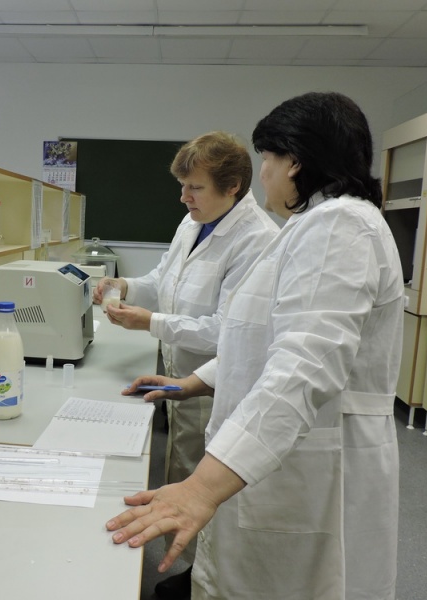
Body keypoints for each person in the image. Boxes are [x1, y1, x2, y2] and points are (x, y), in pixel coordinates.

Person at [106, 91, 404, 600]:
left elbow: (305, 366)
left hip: (309, 457)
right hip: (281, 447)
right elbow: (260, 338)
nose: (263, 173)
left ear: (296, 162)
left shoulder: (338, 227)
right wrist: (194, 382)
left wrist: (202, 487)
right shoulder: (311, 227)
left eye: (268, 158)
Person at [93, 131, 278, 598]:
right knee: (182, 472)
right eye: (182, 186)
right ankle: (191, 570)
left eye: (194, 187)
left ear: (232, 186)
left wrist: (151, 322)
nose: (183, 197)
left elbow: (229, 332)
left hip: (217, 386)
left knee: (208, 489)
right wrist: (127, 287)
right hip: (181, 377)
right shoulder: (194, 221)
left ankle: (205, 578)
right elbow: (165, 279)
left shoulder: (258, 240)